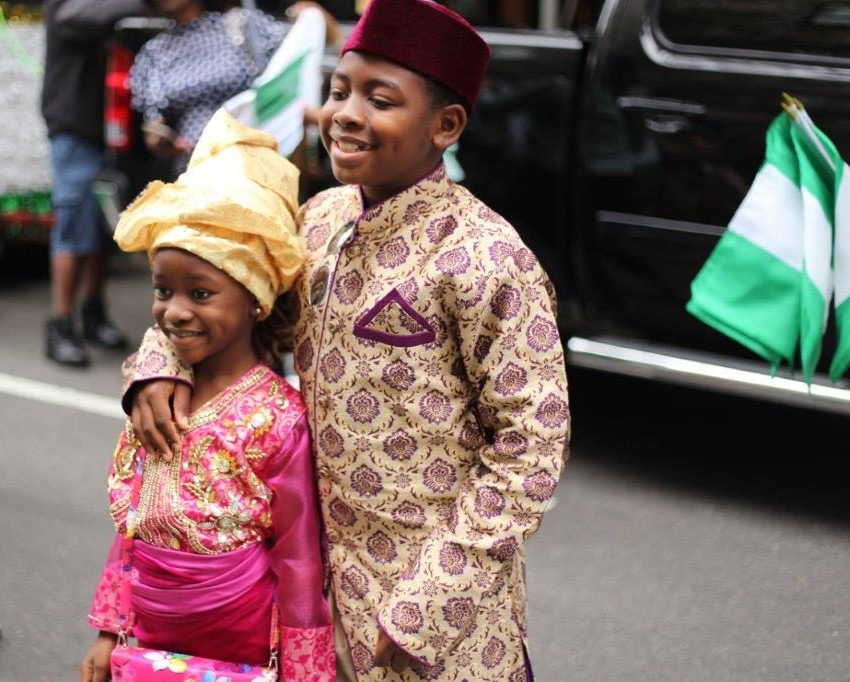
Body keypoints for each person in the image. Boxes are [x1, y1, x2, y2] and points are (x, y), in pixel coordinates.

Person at [122, 1, 571, 679]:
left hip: (438, 613)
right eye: (338, 91)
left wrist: (434, 600)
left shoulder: (487, 259)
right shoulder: (316, 220)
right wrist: (161, 365)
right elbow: (235, 305)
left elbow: (530, 448)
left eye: (379, 99)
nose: (345, 114)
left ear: (445, 126)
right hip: (313, 596)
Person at [80, 110, 336, 682]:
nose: (174, 311)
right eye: (163, 289)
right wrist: (109, 632)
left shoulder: (278, 419)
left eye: (201, 292)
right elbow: (134, 529)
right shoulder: (157, 397)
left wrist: (305, 670)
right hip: (147, 637)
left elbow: (297, 557)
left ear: (256, 300)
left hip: (239, 641)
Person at [41, 0, 142, 367]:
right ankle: (60, 324)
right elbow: (76, 17)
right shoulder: (70, 6)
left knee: (101, 230)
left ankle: (93, 314)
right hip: (74, 130)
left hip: (109, 133)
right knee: (72, 228)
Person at [131, 0, 340, 175]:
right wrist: (164, 142)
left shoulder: (242, 25)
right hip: (197, 173)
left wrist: (313, 18)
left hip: (258, 165)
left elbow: (298, 68)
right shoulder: (154, 53)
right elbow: (154, 130)